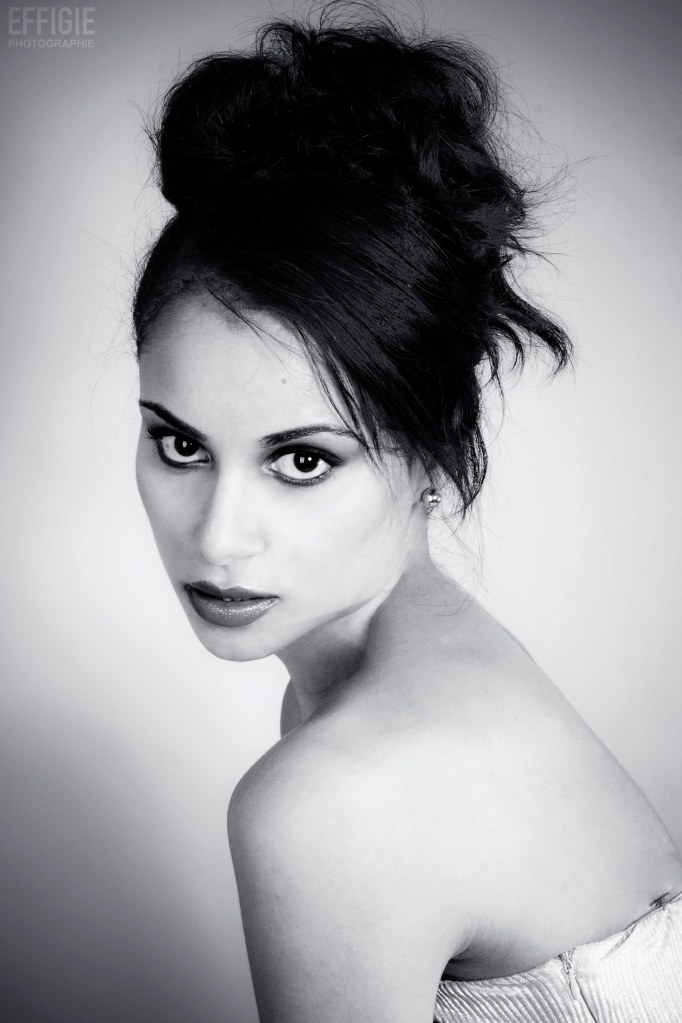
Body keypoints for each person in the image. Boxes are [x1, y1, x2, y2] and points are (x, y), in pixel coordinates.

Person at [132, 6, 682, 1021]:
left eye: (302, 459)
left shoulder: (332, 796)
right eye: (180, 445)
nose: (215, 537)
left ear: (428, 446)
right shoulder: (411, 666)